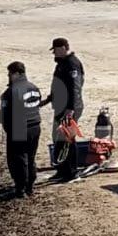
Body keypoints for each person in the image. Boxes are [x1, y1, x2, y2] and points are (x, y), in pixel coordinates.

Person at [0, 61, 43, 197]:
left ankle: (20, 189)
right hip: (35, 126)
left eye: (9, 74)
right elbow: (37, 105)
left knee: (18, 160)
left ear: (16, 73)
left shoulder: (10, 92)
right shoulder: (34, 88)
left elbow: (4, 114)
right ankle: (30, 187)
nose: (8, 77)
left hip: (18, 128)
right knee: (30, 158)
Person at [40, 37, 85, 182]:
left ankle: (71, 172)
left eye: (56, 50)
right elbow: (59, 85)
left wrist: (71, 108)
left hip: (69, 107)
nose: (54, 54)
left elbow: (75, 87)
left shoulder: (72, 64)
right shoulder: (62, 64)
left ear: (64, 48)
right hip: (61, 106)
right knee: (58, 138)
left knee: (67, 139)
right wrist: (48, 99)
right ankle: (62, 170)